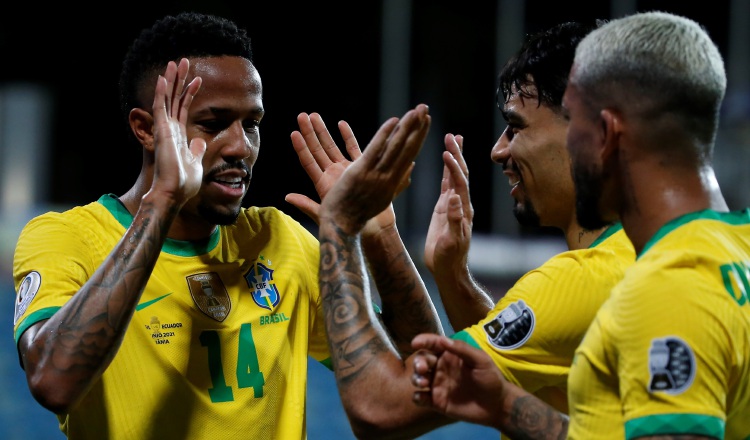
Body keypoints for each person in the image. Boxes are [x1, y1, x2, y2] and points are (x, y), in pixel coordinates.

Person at [10, 12, 440, 440]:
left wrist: (378, 231)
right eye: (214, 124)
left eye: (252, 124)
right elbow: (53, 382)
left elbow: (420, 373)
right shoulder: (68, 238)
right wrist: (162, 202)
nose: (240, 147)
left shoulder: (279, 240)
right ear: (146, 130)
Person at [412, 11, 750, 440]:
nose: (499, 151)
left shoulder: (664, 284)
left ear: (607, 133)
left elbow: (379, 407)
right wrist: (507, 407)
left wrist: (359, 227)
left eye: (578, 122)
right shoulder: (734, 251)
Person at [308, 20, 635, 439]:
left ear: (590, 133)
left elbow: (379, 408)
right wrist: (446, 272)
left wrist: (341, 226)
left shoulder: (583, 281)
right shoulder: (645, 254)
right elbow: (512, 360)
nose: (499, 149)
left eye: (516, 127)